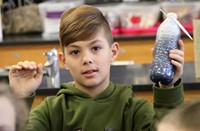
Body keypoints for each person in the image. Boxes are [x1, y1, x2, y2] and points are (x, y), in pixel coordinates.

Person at [8, 5, 185, 131]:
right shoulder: (50, 112)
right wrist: (19, 98)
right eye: (75, 52)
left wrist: (167, 87)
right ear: (64, 60)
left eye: (96, 48)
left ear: (113, 52)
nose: (87, 59)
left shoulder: (133, 110)